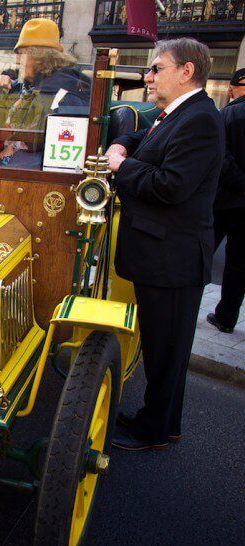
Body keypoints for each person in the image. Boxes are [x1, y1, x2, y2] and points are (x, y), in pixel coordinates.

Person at [106, 38, 224, 450]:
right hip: (161, 254)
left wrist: (122, 167)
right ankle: (159, 422)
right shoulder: (179, 114)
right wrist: (123, 144)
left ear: (186, 72)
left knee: (166, 354)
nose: (149, 76)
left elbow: (170, 185)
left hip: (172, 260)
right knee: (161, 349)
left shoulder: (201, 120)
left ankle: (153, 429)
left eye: (157, 68)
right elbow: (150, 144)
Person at [0, 18, 91, 168]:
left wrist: (14, 147)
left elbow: (50, 144)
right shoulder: (39, 89)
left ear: (38, 57)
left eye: (22, 54)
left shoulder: (63, 95)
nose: (17, 61)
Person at [206, 68, 245, 334]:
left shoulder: (226, 115)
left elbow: (221, 159)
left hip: (224, 201)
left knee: (202, 257)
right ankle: (226, 318)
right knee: (239, 265)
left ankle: (186, 308)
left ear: (231, 90)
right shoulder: (227, 115)